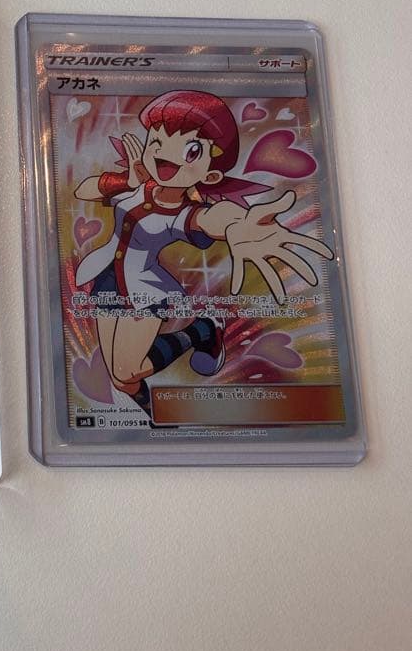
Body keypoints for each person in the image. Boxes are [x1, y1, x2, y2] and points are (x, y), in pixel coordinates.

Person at [74, 90, 333, 412]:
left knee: (128, 371)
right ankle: (160, 418)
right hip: (105, 281)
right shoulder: (137, 186)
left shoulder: (184, 212)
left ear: (210, 175)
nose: (164, 153)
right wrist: (127, 180)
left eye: (190, 150)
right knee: (120, 379)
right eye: (157, 141)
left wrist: (240, 226)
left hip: (144, 291)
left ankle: (202, 330)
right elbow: (83, 190)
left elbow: (213, 219)